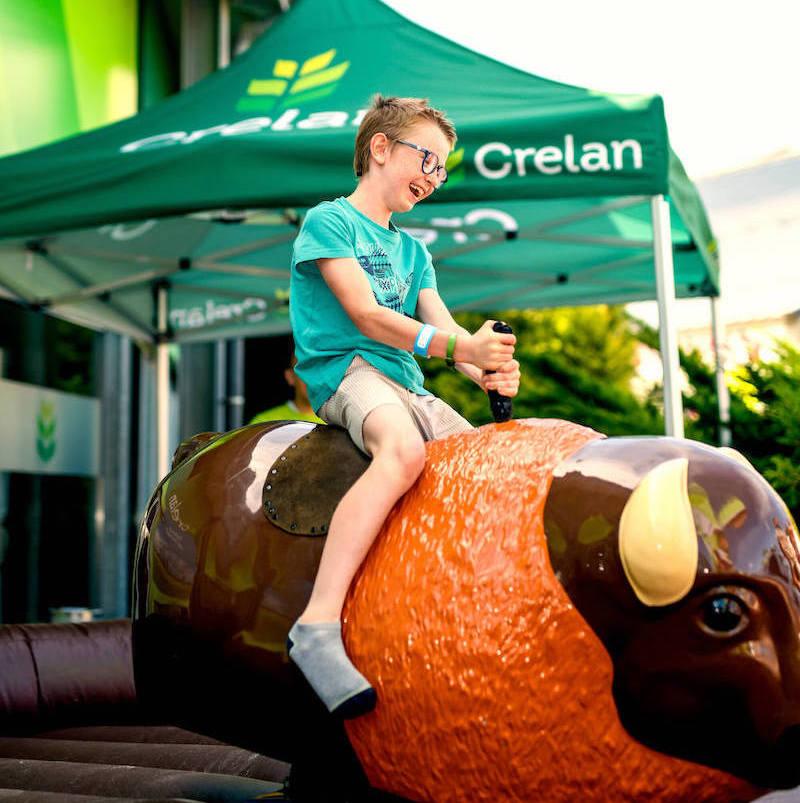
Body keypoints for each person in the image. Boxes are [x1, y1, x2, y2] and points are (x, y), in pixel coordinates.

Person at [286, 95, 520, 718]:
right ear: (381, 148)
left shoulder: (415, 253)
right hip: (346, 370)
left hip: (406, 380)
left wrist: (487, 365)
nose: (434, 176)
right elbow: (365, 314)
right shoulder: (329, 222)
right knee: (403, 450)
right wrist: (456, 347)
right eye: (427, 158)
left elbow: (449, 336)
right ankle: (316, 624)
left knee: (490, 473)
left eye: (443, 168)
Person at [249, 336, 325, 425]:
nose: (311, 379)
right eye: (304, 370)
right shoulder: (263, 423)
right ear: (290, 377)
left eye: (317, 370)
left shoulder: (338, 421)